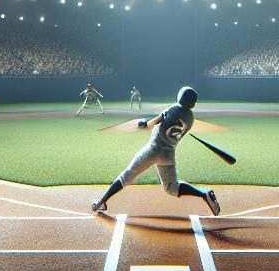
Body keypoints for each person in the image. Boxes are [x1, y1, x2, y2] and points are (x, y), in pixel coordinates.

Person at [91, 86, 220, 216]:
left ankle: (101, 202)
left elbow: (156, 121)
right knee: (171, 187)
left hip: (153, 150)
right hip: (168, 154)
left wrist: (145, 124)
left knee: (127, 176)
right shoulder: (190, 119)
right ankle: (203, 194)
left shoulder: (174, 108)